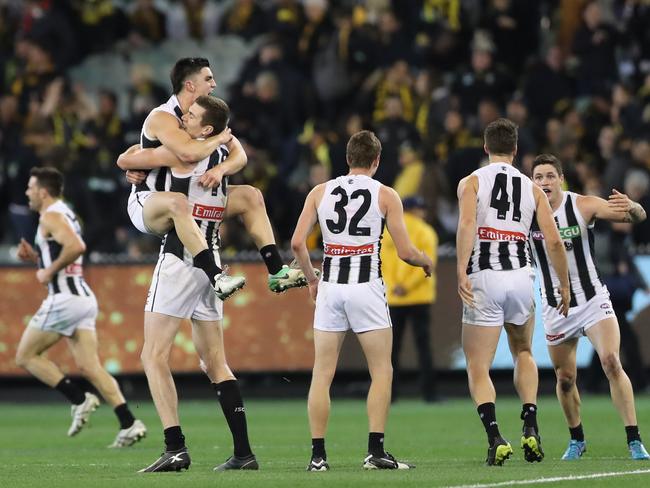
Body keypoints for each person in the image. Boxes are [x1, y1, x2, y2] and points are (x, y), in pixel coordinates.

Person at [291, 130, 433, 471]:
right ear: (377, 161)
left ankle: (318, 457)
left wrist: (312, 279)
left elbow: (297, 243)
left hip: (331, 286)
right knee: (381, 370)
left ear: (347, 159)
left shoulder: (319, 191)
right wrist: (427, 261)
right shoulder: (386, 194)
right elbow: (406, 252)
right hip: (366, 285)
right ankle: (375, 452)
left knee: (322, 374)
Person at [135, 96, 258, 473]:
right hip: (213, 254)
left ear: (205, 128)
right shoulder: (222, 158)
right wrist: (224, 143)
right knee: (216, 362)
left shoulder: (184, 154)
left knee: (152, 356)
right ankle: (243, 452)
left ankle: (175, 447)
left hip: (181, 257)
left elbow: (130, 159)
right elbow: (240, 159)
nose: (182, 118)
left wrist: (134, 169)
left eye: (190, 116)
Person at [124, 57, 308, 297]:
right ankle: (215, 275)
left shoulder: (205, 115)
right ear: (190, 85)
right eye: (208, 78)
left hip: (190, 201)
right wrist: (220, 139)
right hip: (152, 201)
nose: (214, 84)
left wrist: (220, 169)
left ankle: (276, 271)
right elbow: (186, 152)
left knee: (250, 196)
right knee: (177, 202)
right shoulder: (165, 117)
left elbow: (240, 155)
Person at [456, 118, 570, 466]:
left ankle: (495, 437)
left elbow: (466, 224)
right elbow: (552, 239)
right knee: (523, 350)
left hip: (485, 277)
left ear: (486, 147)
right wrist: (564, 284)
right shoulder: (532, 187)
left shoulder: (472, 181)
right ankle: (531, 424)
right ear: (516, 150)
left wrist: (460, 268)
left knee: (478, 365)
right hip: (521, 276)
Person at [530, 153, 650, 461]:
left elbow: (635, 217)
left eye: (549, 176)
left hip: (593, 299)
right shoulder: (525, 216)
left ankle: (634, 439)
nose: (544, 182)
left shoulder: (582, 205)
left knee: (611, 361)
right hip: (557, 307)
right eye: (538, 177)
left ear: (561, 179)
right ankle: (577, 439)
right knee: (565, 379)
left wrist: (634, 207)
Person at [15, 167, 147, 448]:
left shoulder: (50, 215)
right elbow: (65, 249)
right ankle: (129, 422)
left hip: (65, 298)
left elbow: (76, 246)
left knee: (26, 356)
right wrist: (38, 258)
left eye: (30, 187)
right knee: (91, 367)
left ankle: (79, 399)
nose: (27, 192)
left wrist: (47, 270)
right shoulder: (66, 212)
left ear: (42, 191)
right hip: (83, 298)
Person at [380, 195, 438, 402]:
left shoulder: (389, 232)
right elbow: (427, 262)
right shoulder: (425, 231)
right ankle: (429, 393)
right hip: (419, 297)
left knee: (391, 349)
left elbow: (383, 263)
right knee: (423, 347)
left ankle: (390, 393)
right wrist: (407, 286)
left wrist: (394, 286)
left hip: (394, 298)